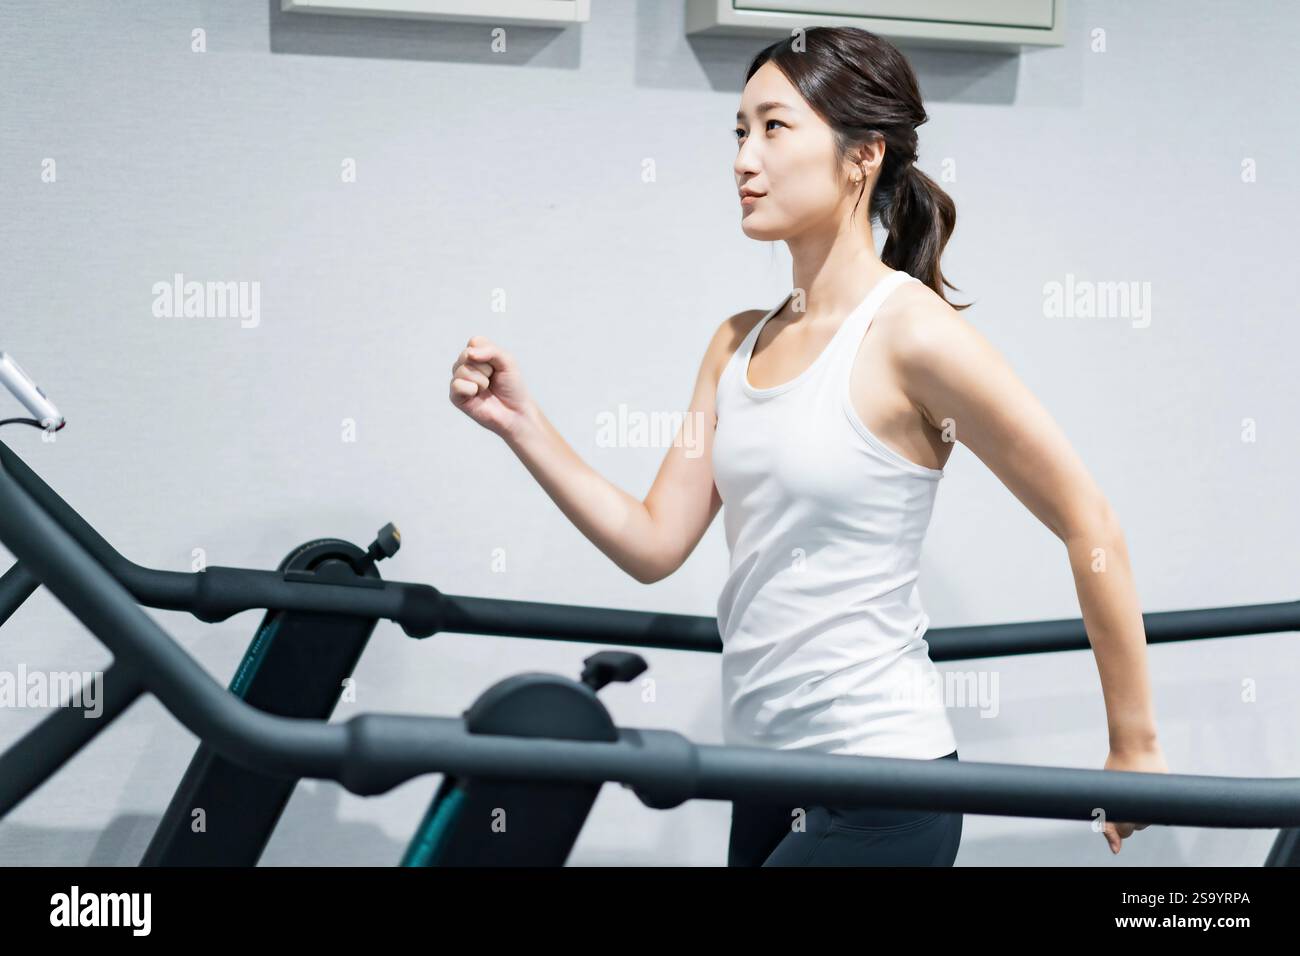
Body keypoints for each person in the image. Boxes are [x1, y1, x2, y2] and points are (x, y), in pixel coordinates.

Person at [448, 26, 1168, 866]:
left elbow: (1092, 524)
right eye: (739, 132)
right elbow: (654, 542)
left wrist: (1135, 747)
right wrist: (521, 423)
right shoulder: (733, 343)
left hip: (884, 785)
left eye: (774, 128)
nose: (744, 158)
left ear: (862, 155)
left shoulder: (915, 337)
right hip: (759, 775)